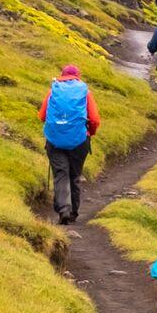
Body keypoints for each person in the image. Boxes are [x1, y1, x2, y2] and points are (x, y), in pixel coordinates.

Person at [39, 64, 101, 224]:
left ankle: (63, 209)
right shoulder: (85, 92)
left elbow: (42, 115)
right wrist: (89, 133)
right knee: (74, 175)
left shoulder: (53, 91)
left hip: (55, 140)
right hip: (79, 140)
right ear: (78, 76)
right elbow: (94, 119)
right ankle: (73, 212)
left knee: (61, 174)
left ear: (62, 75)